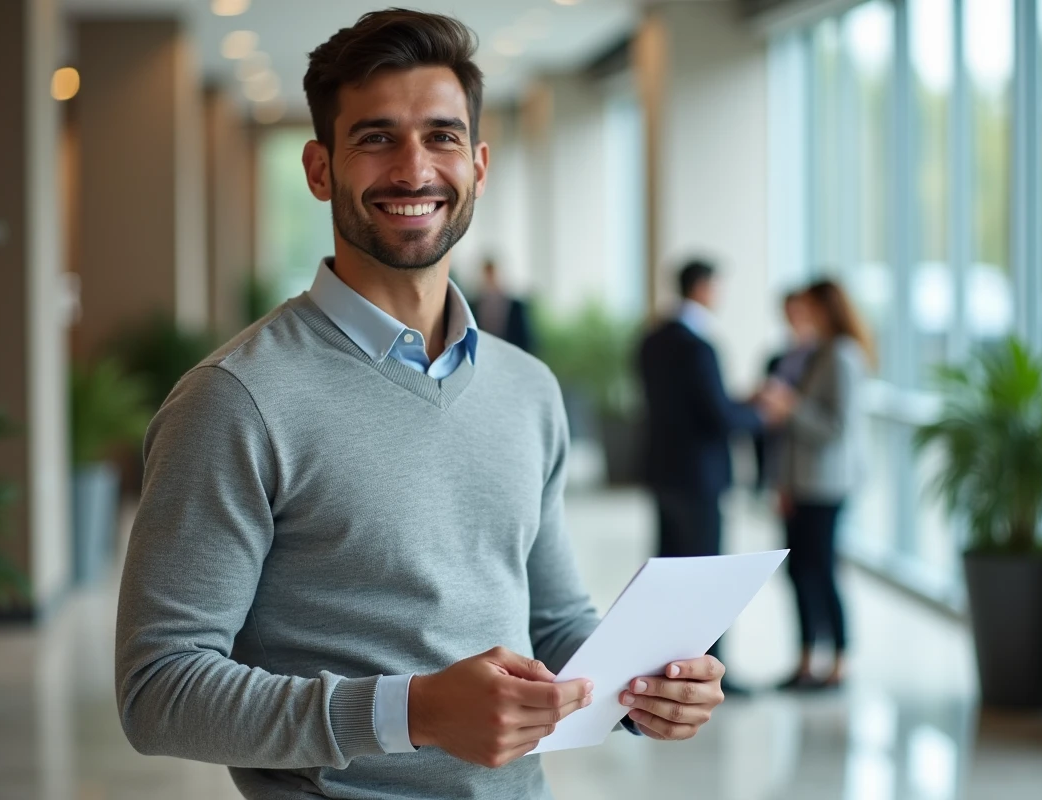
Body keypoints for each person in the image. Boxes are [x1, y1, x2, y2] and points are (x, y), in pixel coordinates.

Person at [114, 11, 725, 800]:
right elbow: (158, 692)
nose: (413, 169)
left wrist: (645, 688)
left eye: (441, 137)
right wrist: (414, 711)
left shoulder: (526, 388)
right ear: (319, 168)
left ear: (477, 163)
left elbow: (553, 621)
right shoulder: (236, 400)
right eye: (375, 138)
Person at [637, 260, 764, 693]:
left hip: (663, 470)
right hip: (700, 477)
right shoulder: (699, 346)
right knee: (708, 578)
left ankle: (664, 662)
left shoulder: (652, 339)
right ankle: (711, 669)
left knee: (671, 571)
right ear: (704, 288)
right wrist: (761, 412)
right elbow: (718, 417)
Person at [758, 279, 874, 691]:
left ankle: (840, 660)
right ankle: (808, 659)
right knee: (800, 571)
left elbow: (837, 428)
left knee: (821, 570)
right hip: (802, 482)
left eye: (808, 307)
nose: (800, 316)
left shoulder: (841, 355)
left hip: (826, 485)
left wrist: (791, 407)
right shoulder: (817, 352)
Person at [753, 291, 817, 491]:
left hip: (804, 448)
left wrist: (786, 402)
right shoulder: (777, 358)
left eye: (797, 311)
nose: (792, 318)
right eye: (787, 312)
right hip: (778, 444)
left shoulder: (821, 358)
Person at [471, 258, 535, 353]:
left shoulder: (515, 306)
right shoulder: (474, 305)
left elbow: (525, 339)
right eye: (487, 275)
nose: (490, 279)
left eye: (492, 275)